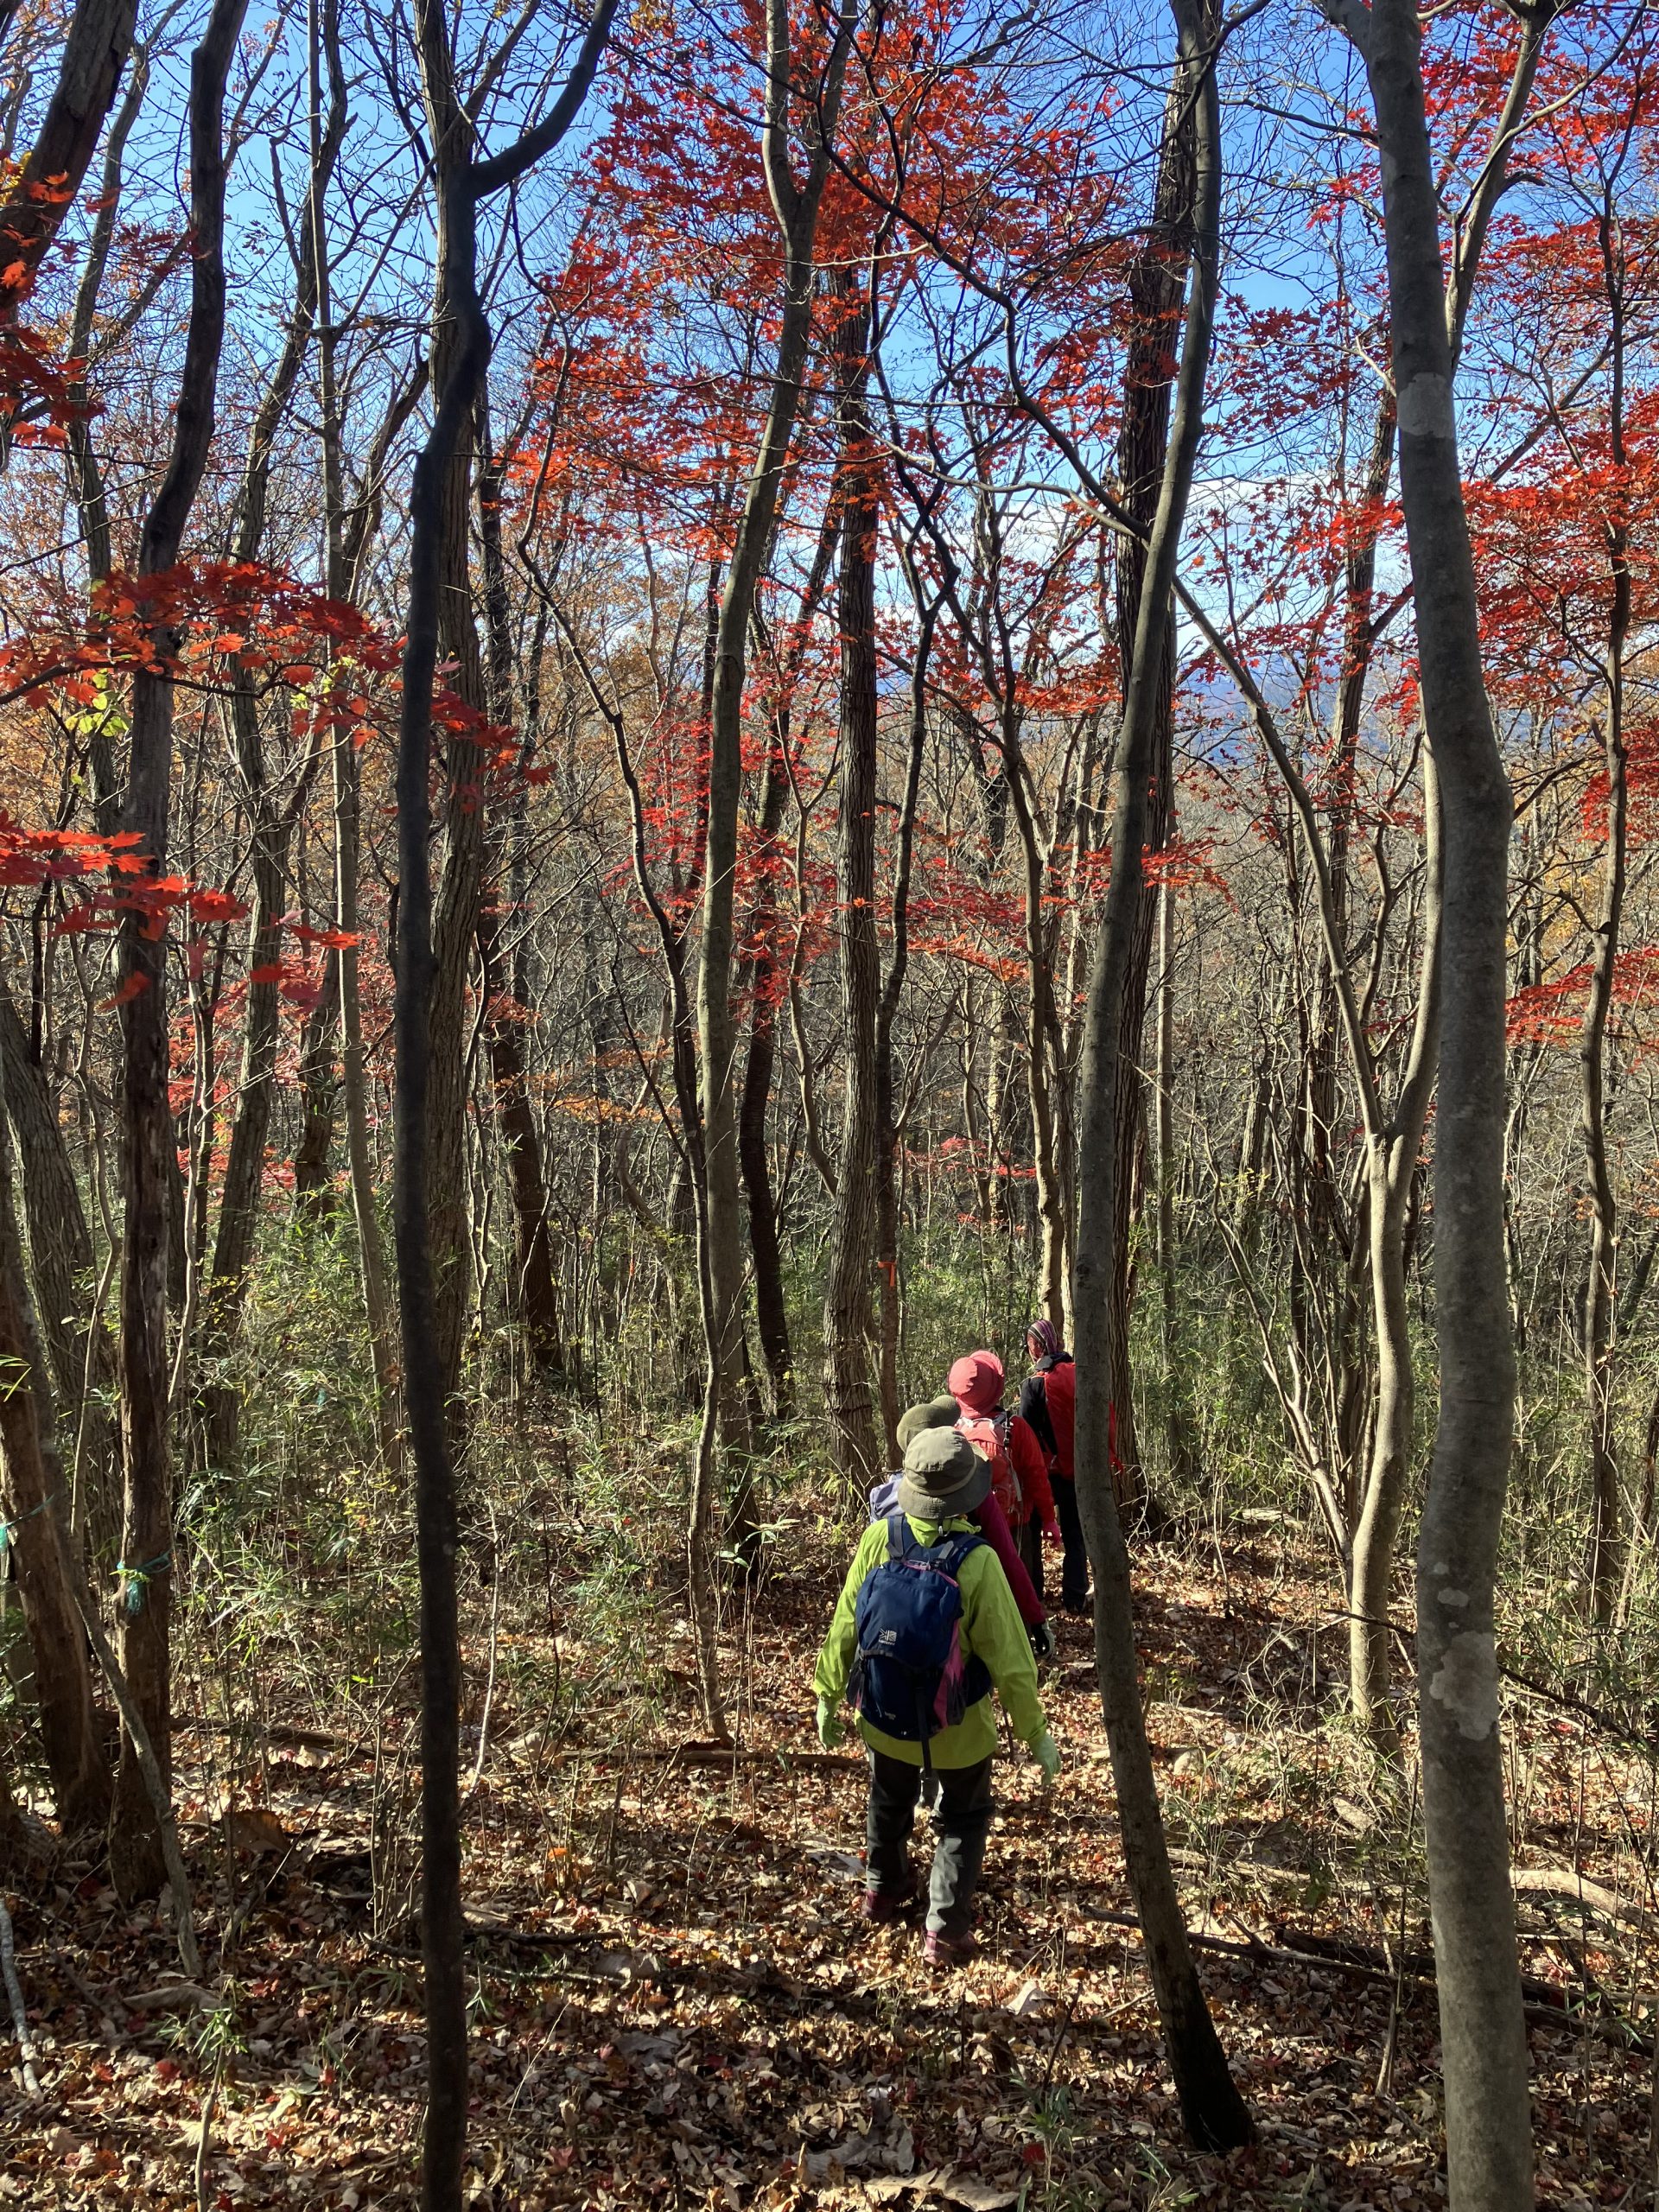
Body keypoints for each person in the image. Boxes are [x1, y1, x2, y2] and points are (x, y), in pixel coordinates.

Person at [815, 1426, 1060, 1967]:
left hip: (881, 1714)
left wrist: (827, 1693)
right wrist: (1036, 1735)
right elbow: (1012, 1662)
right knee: (965, 1818)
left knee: (888, 1796)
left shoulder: (879, 1538)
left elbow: (845, 1625)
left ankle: (881, 1888)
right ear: (964, 1494)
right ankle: (944, 1929)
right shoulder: (978, 1563)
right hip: (958, 1730)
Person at [873, 1397, 1055, 1662]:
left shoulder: (882, 1500)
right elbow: (1008, 1558)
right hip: (959, 1637)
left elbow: (858, 1593)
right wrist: (1037, 1620)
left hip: (893, 1642)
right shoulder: (976, 1496)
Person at [947, 1349, 1058, 1603]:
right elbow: (1037, 1477)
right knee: (1019, 1590)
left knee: (976, 1595)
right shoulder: (1015, 1428)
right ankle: (1026, 1634)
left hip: (966, 1531)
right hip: (1016, 1527)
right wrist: (1050, 1521)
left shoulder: (952, 1432)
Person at [1017, 1319, 1090, 1614]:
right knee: (1075, 1534)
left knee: (1033, 1531)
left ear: (1038, 1346)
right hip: (1075, 1471)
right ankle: (1075, 1598)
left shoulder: (1032, 1385)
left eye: (1030, 1343)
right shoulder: (1079, 1376)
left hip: (1044, 1473)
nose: (1028, 1348)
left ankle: (1034, 1595)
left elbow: (1027, 1434)